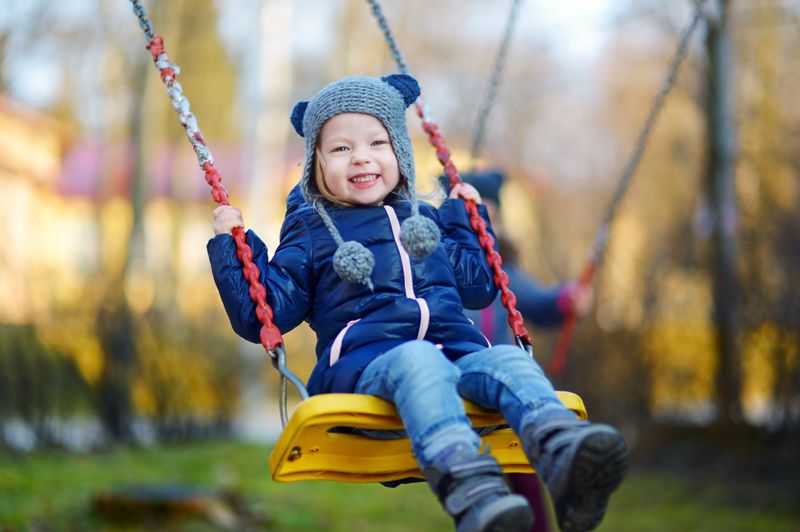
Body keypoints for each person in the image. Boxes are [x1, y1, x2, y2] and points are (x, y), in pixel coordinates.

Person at [207, 74, 628, 532]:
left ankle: (565, 454)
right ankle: (469, 490)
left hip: (457, 360)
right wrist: (235, 248)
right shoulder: (312, 230)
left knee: (506, 357)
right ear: (316, 166)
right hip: (367, 373)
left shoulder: (425, 218)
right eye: (341, 148)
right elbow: (264, 311)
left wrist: (465, 219)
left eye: (377, 142)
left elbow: (478, 287)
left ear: (400, 154)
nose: (362, 156)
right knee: (418, 358)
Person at [445, 169, 594, 532]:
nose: (479, 218)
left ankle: (557, 504)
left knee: (522, 469)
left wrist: (566, 299)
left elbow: (537, 301)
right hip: (459, 383)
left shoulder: (503, 269)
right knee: (477, 478)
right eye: (467, 209)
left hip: (502, 383)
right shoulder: (440, 266)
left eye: (486, 211)